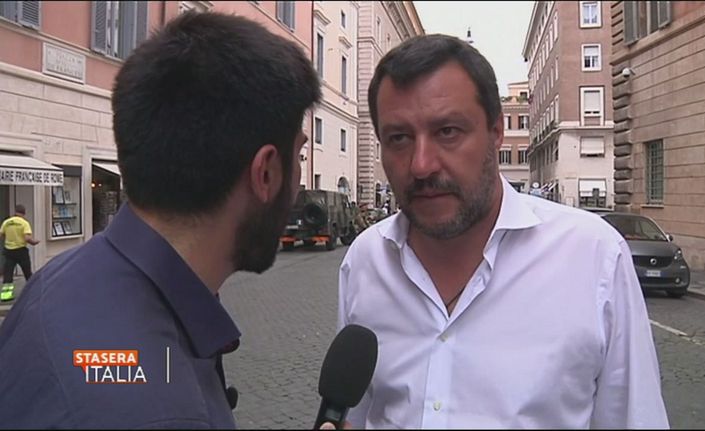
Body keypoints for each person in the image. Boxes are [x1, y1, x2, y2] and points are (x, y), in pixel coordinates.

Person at [0, 12, 320, 428]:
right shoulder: (168, 413)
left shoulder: (59, 276)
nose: (298, 184)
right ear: (266, 173)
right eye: (299, 156)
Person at [337, 34, 669, 429]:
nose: (421, 165)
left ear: (496, 132)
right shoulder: (365, 260)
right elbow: (353, 413)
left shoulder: (594, 255)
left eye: (448, 131)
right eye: (399, 138)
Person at [0, 204, 40, 302]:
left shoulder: (7, 222)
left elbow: (1, 234)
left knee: (8, 273)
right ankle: (33, 292)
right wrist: (34, 242)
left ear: (15, 212)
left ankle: (6, 295)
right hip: (21, 251)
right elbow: (27, 238)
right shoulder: (24, 223)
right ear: (24, 213)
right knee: (27, 272)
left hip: (9, 251)